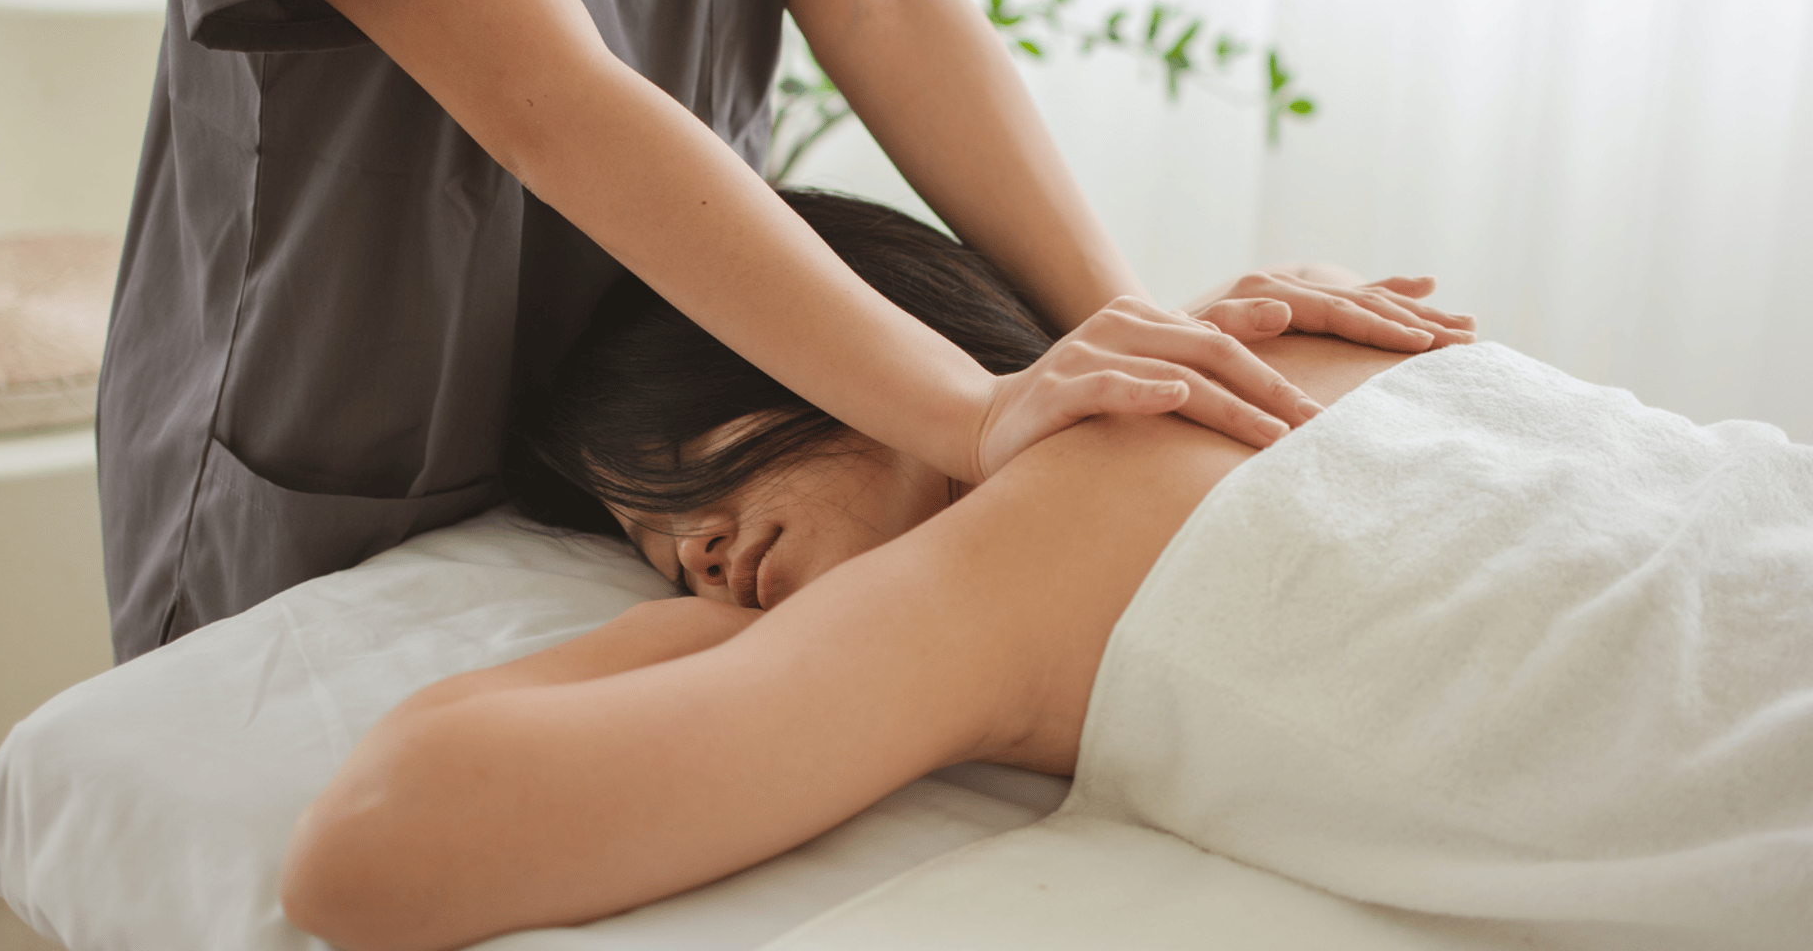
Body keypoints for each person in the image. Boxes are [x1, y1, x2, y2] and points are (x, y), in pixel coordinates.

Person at [97, 0, 1472, 661]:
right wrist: (972, 413)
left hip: (659, 440)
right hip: (338, 428)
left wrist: (1119, 336)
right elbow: (548, 100)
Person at [278, 191, 1813, 951]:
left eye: (688, 470)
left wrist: (688, 645)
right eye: (651, 557)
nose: (700, 559)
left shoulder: (1007, 565)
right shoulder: (1308, 324)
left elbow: (375, 844)